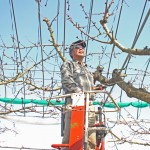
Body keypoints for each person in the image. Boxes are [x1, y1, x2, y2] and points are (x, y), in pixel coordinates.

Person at [60, 40, 99, 150]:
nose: (81, 49)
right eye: (77, 47)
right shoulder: (68, 65)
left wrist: (95, 88)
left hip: (89, 104)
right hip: (74, 102)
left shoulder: (87, 69)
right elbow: (66, 80)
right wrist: (79, 92)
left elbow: (88, 87)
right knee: (72, 136)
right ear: (71, 53)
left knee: (91, 136)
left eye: (82, 47)